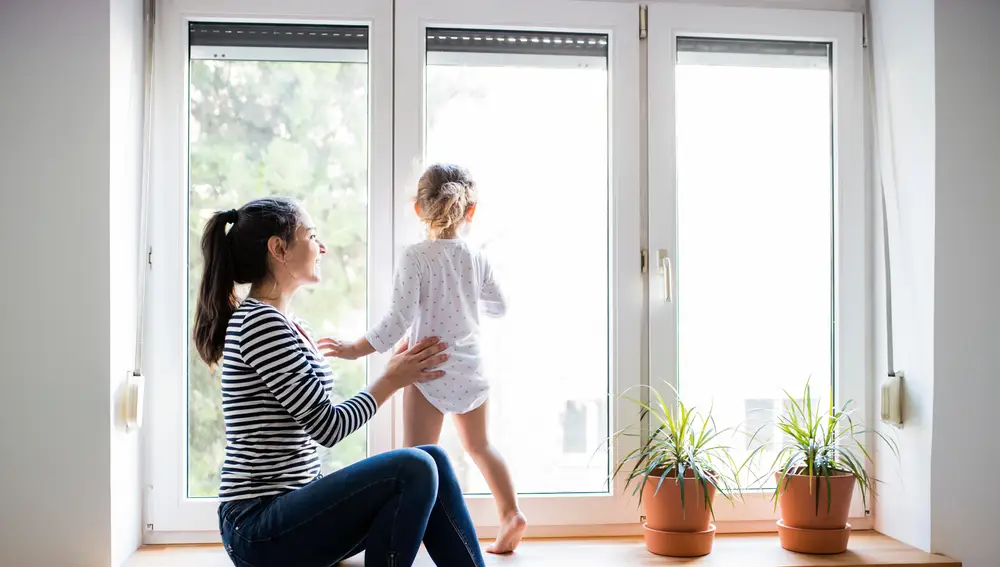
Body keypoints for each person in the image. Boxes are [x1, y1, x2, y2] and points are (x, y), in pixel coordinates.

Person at [193, 196, 486, 567]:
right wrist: (392, 379)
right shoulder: (259, 325)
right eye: (312, 235)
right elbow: (327, 427)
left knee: (433, 459)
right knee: (415, 466)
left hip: (293, 510)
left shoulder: (287, 322)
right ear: (278, 248)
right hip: (258, 527)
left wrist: (395, 370)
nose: (323, 247)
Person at [323, 164, 526, 554]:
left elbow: (396, 321)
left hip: (426, 368)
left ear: (418, 209)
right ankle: (511, 514)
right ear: (471, 212)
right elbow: (499, 306)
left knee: (415, 461)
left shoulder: (415, 257)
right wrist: (464, 298)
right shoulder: (476, 258)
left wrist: (353, 349)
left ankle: (408, 539)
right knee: (481, 446)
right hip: (470, 368)